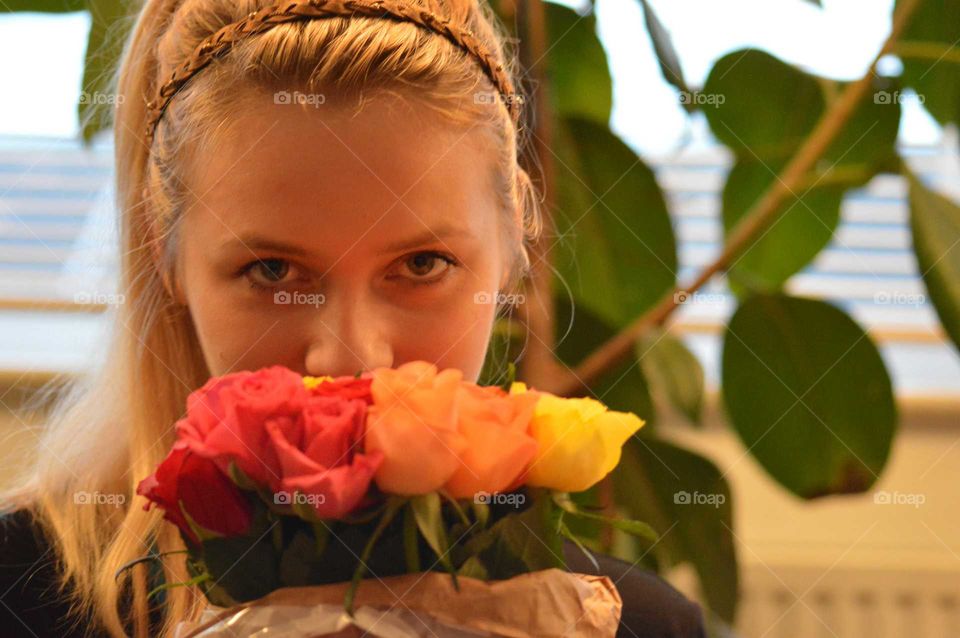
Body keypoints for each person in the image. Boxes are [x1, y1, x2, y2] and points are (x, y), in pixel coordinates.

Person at [0, 0, 706, 635]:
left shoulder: (629, 624)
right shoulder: (21, 595)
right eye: (272, 272)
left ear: (514, 246)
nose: (351, 359)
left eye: (423, 265)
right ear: (166, 257)